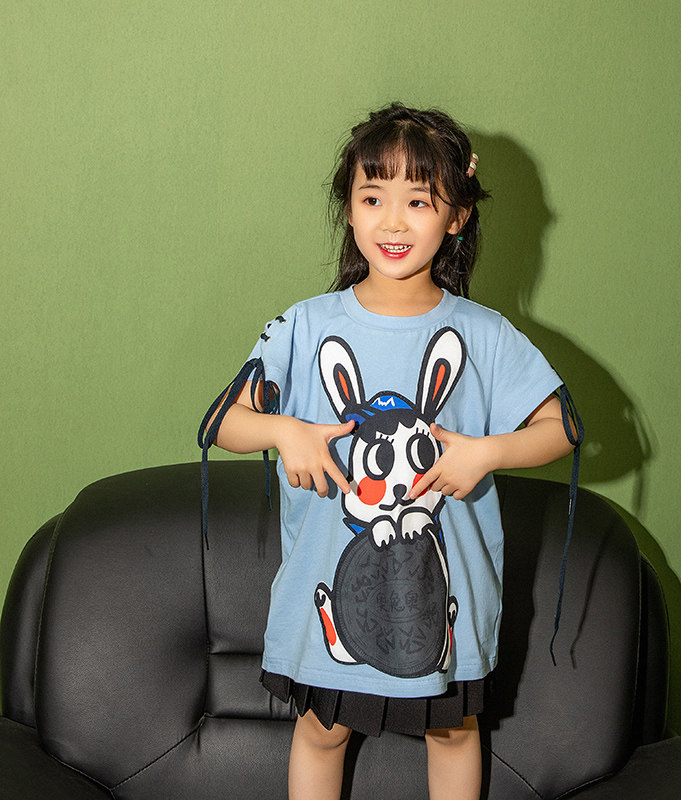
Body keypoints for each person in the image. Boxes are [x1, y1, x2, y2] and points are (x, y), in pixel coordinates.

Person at [199, 103, 580, 800]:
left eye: (419, 201)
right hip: (330, 590)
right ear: (349, 209)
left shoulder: (486, 335)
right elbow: (223, 421)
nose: (394, 223)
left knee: (454, 732)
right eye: (373, 199)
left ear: (457, 216)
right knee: (322, 731)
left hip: (446, 599)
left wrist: (487, 453)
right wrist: (283, 431)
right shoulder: (304, 326)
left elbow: (561, 429)